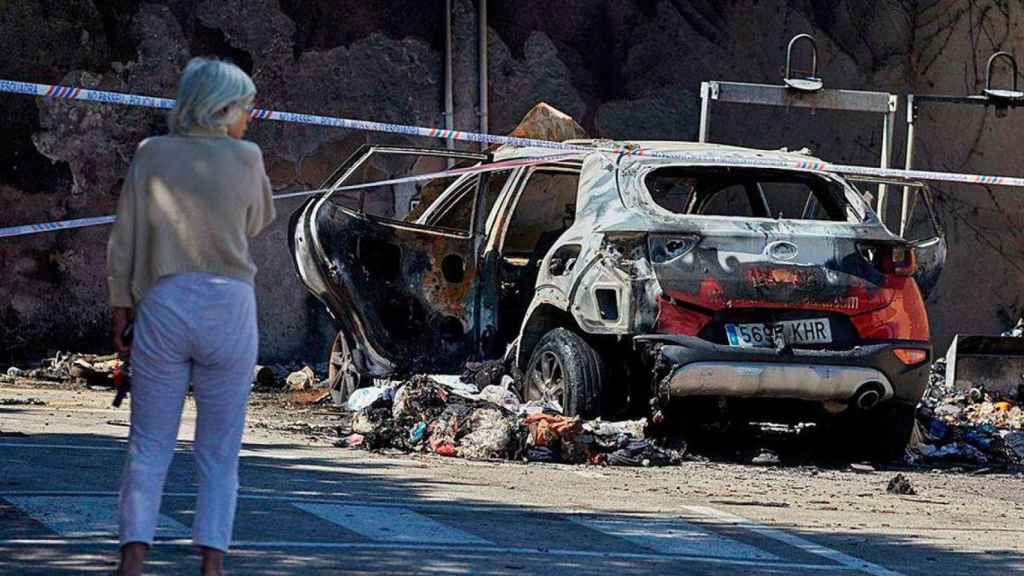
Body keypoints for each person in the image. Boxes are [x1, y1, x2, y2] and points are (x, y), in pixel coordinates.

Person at [106, 57, 275, 576]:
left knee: (150, 441)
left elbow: (125, 237)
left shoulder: (151, 154)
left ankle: (133, 557)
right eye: (245, 107)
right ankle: (212, 563)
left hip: (164, 299)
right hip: (229, 305)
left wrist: (121, 305)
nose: (249, 117)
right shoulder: (247, 157)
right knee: (220, 448)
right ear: (222, 109)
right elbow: (258, 220)